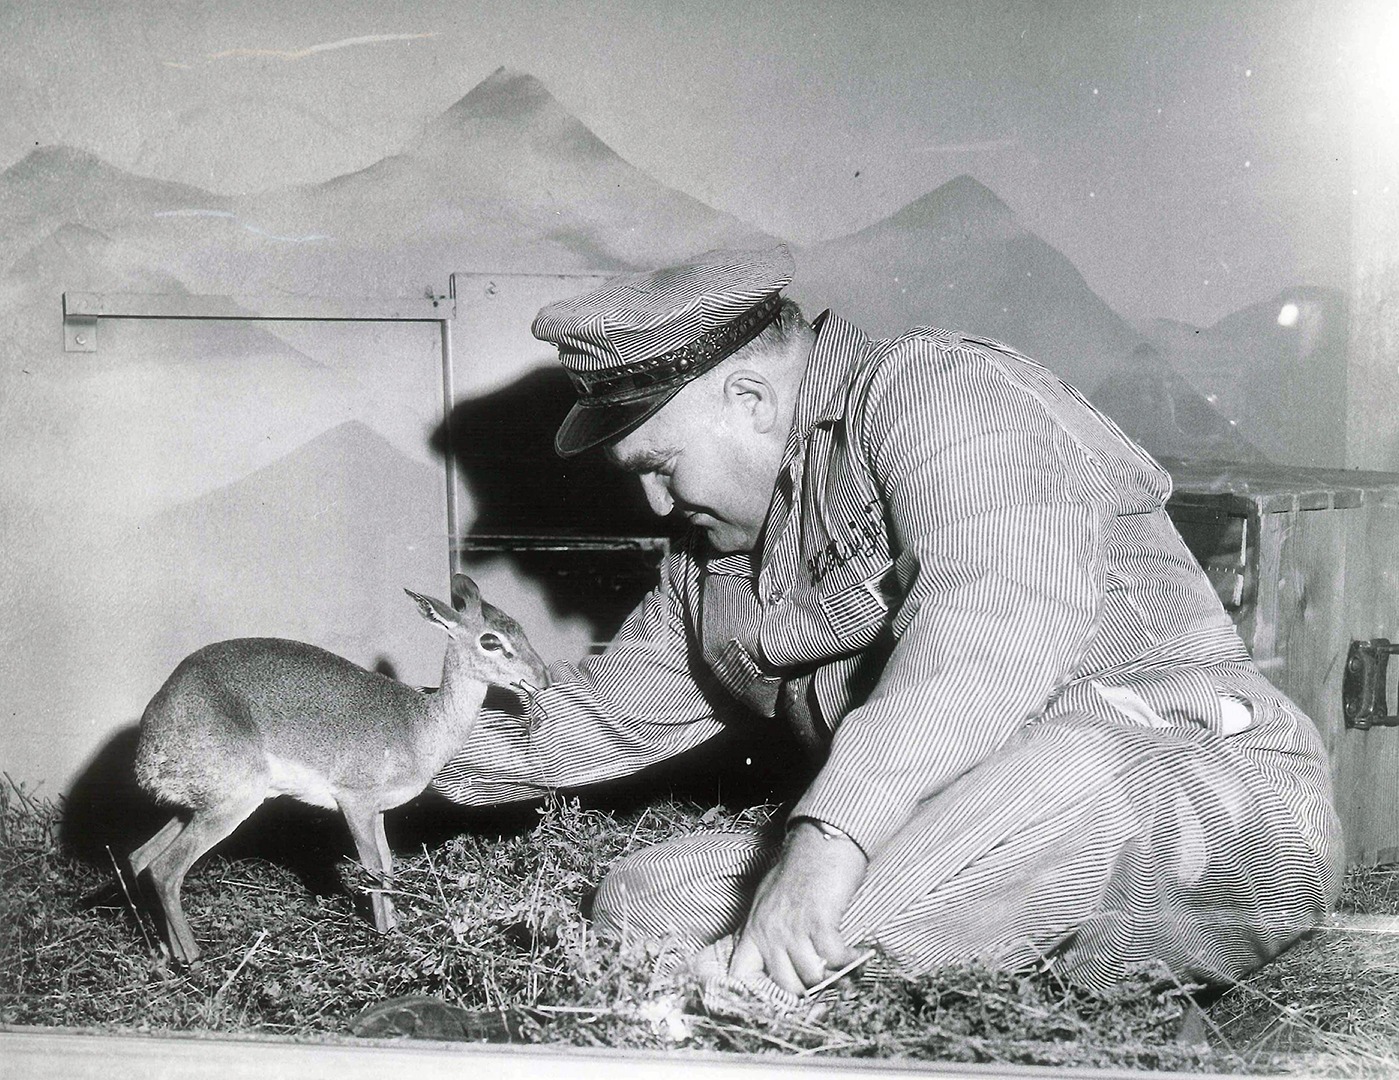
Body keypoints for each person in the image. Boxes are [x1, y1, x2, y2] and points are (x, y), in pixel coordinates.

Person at [430, 244, 1341, 1000]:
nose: (656, 501)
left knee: (1062, 770)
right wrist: (354, 737)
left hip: (1197, 802)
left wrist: (825, 842)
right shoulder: (712, 567)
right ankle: (772, 992)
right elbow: (588, 721)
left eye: (660, 464)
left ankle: (730, 1014)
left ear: (747, 397)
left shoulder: (937, 390)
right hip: (969, 838)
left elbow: (994, 622)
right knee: (643, 897)